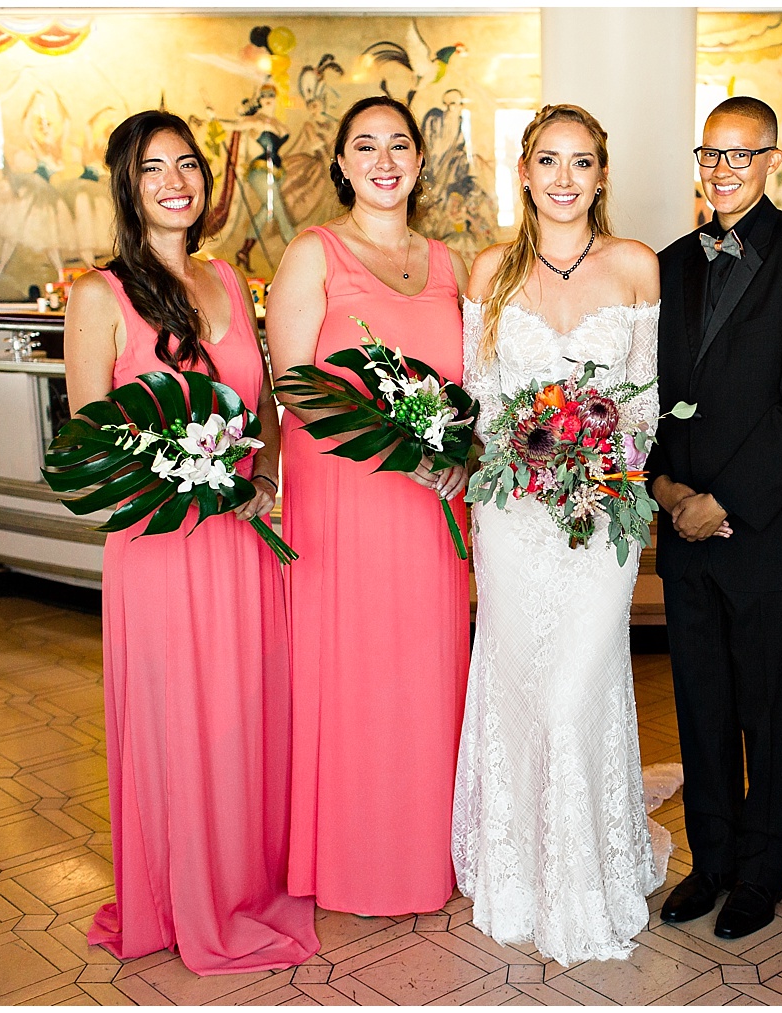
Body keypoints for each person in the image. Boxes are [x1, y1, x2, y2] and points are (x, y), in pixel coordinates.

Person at [63, 109, 317, 974]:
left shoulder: (225, 279)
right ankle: (186, 894)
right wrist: (194, 478)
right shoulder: (98, 295)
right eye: (151, 170)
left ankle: (244, 877)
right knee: (182, 723)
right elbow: (91, 444)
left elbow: (268, 403)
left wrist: (265, 478)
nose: (175, 182)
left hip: (244, 541)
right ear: (128, 190)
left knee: (245, 717)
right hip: (161, 548)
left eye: (186, 166)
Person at [452, 103, 665, 965]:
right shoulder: (490, 270)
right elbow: (478, 407)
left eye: (582, 162)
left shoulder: (635, 266)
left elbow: (644, 404)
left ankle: (588, 876)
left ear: (602, 175)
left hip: (600, 515)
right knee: (521, 684)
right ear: (526, 172)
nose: (565, 178)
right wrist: (527, 464)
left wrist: (599, 466)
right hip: (511, 518)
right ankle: (518, 871)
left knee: (576, 688)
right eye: (549, 161)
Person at [648, 96, 782, 940]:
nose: (722, 170)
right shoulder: (667, 262)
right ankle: (713, 860)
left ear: (773, 160)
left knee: (769, 713)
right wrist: (668, 492)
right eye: (710, 155)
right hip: (683, 530)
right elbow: (646, 394)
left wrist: (722, 501)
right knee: (698, 707)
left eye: (741, 155)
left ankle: (766, 869)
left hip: (766, 533)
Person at [266, 96, 471, 917]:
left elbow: (468, 387)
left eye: (398, 146)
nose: (383, 161)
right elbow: (292, 386)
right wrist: (403, 451)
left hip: (431, 511)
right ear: (342, 165)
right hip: (344, 501)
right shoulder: (311, 254)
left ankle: (427, 849)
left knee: (426, 672)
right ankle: (353, 857)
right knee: (354, 675)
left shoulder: (450, 264)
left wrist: (459, 450)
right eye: (364, 147)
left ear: (419, 162)